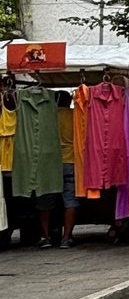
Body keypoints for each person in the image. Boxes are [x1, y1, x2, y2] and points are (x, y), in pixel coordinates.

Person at [39, 90, 78, 249]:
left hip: (50, 162)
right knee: (70, 200)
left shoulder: (47, 118)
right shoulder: (74, 116)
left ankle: (45, 237)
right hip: (70, 160)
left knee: (45, 199)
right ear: (69, 101)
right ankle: (66, 238)